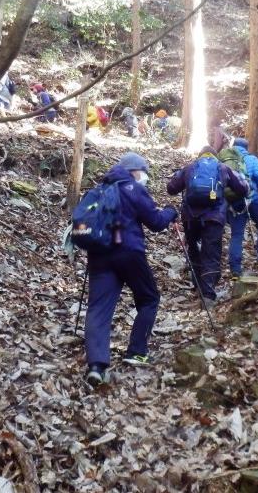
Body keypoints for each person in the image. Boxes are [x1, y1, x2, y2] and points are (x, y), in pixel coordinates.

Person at [83, 153, 179, 386]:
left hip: (99, 255)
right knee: (149, 299)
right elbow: (156, 222)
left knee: (98, 309)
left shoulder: (98, 190)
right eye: (144, 172)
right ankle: (136, 351)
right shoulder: (132, 188)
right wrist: (170, 212)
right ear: (135, 171)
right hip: (129, 253)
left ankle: (96, 365)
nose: (145, 177)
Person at [167, 146, 248, 308]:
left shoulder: (190, 167)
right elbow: (243, 188)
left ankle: (197, 284)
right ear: (215, 156)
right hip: (214, 217)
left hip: (190, 217)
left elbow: (171, 189)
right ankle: (208, 295)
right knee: (211, 252)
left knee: (194, 249)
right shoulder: (222, 168)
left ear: (200, 155)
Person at [227, 138, 258, 276]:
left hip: (234, 201)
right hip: (253, 199)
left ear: (233, 146)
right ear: (246, 148)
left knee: (237, 234)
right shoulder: (251, 159)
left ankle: (235, 269)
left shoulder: (225, 159)